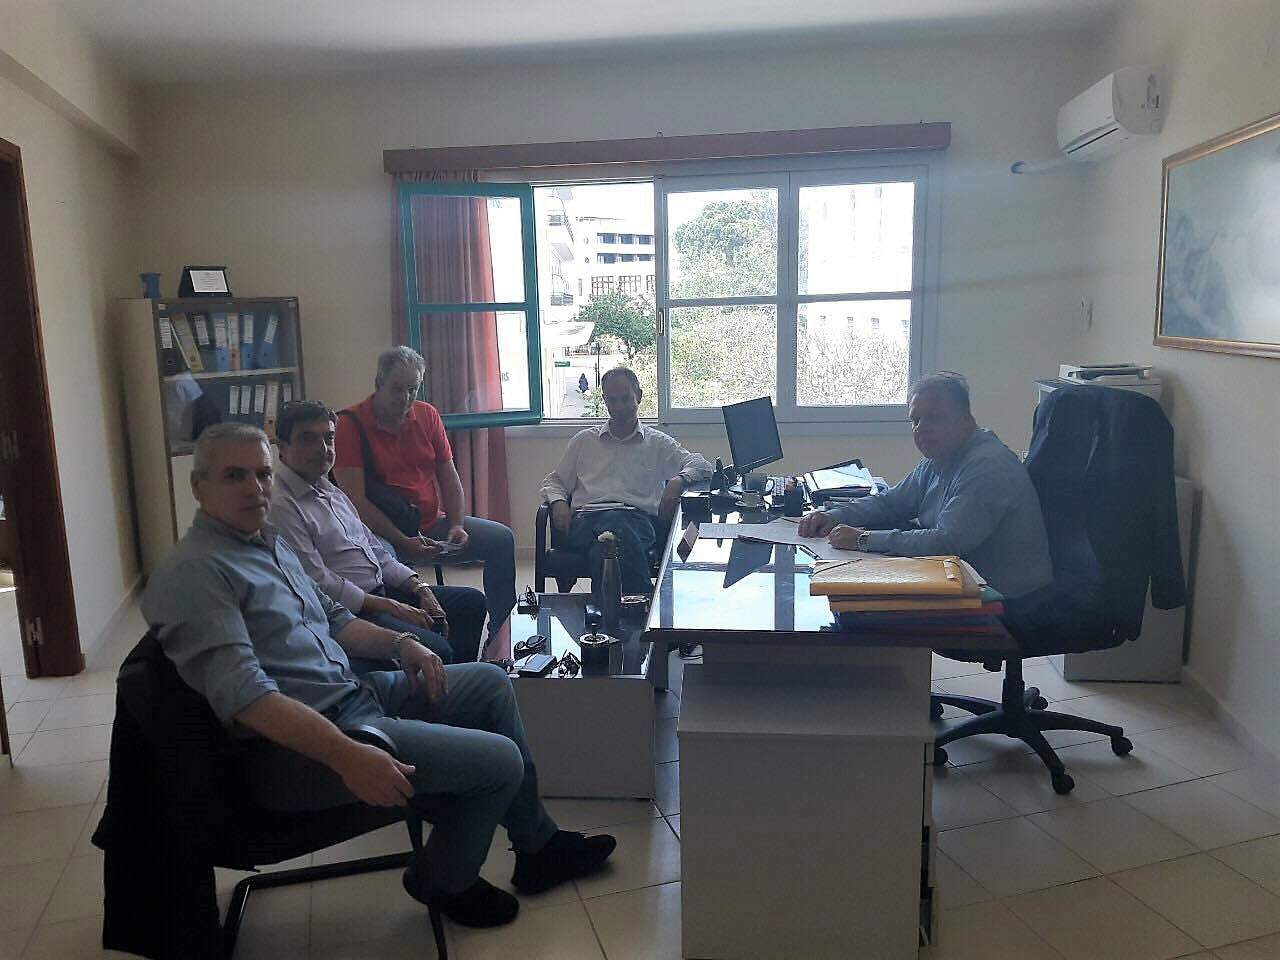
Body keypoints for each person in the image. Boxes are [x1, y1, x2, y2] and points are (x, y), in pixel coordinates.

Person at [141, 423, 615, 929]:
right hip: (304, 748)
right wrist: (348, 755)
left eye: (262, 474)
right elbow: (247, 699)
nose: (256, 488)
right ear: (198, 486)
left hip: (352, 694)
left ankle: (537, 846)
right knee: (500, 762)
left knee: (491, 683)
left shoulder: (266, 543)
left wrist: (401, 644)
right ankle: (443, 879)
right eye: (235, 476)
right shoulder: (197, 574)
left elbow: (336, 620)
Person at [798, 372, 1052, 598]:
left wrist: (863, 539)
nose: (921, 429)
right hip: (957, 578)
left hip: (1003, 599)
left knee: (861, 609)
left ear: (966, 420)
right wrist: (833, 516)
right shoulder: (940, 456)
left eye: (933, 418)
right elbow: (891, 503)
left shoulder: (987, 467)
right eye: (915, 420)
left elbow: (946, 542)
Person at [268, 400, 487, 664]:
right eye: (308, 439)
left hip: (382, 592)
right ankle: (444, 680)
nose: (323, 449)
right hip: (351, 612)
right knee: (436, 648)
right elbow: (319, 583)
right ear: (282, 447)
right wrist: (391, 606)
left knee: (471, 603)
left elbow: (376, 551)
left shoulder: (330, 490)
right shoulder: (281, 506)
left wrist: (419, 588)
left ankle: (458, 681)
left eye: (329, 438)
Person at [334, 346, 517, 639]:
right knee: (381, 568)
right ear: (378, 383)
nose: (405, 398)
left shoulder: (427, 415)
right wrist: (401, 541)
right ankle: (406, 639)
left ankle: (502, 633)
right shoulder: (349, 424)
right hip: (381, 534)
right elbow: (356, 501)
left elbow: (449, 476)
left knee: (501, 539)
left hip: (430, 524)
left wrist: (456, 524)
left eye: (412, 389)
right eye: (397, 389)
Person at [540, 367, 712, 594]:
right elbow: (554, 482)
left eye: (625, 399)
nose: (619, 407)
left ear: (638, 396)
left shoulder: (657, 443)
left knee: (604, 547)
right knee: (612, 531)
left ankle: (606, 611)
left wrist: (677, 481)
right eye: (612, 400)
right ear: (604, 400)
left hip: (638, 521)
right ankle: (643, 603)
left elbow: (702, 465)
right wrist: (557, 502)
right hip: (586, 521)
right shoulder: (584, 441)